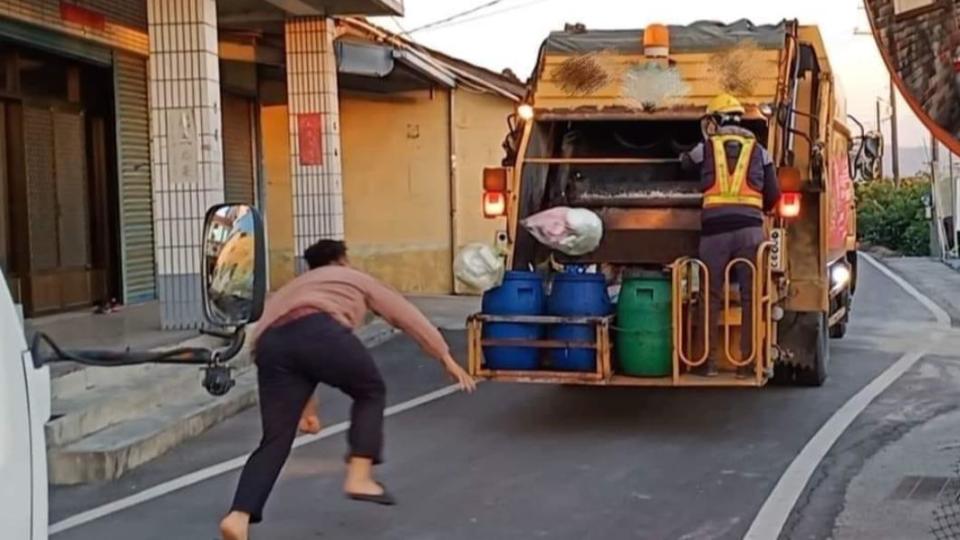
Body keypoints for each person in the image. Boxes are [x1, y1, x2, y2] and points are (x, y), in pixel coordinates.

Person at [220, 240, 476, 540]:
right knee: (370, 390)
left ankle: (238, 517)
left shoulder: (290, 289)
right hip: (319, 328)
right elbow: (402, 312)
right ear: (341, 261)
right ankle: (360, 476)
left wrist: (307, 411)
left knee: (274, 440)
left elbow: (298, 357)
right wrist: (444, 355)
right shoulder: (350, 277)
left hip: (269, 346)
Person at [680, 93, 781, 377]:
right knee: (751, 296)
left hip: (714, 234)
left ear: (716, 120)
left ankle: (707, 363)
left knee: (710, 296)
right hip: (750, 233)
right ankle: (747, 364)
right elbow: (773, 195)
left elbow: (685, 164)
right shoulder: (761, 151)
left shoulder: (706, 146)